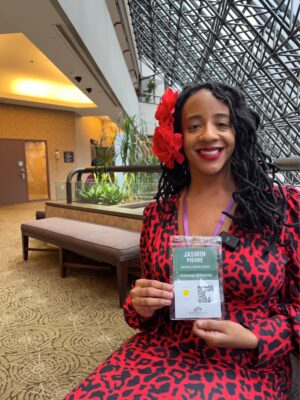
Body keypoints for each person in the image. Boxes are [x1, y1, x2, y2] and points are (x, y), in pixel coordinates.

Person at [64, 82, 299, 399]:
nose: (208, 135)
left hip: (244, 365)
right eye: (194, 126)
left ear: (238, 131)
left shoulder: (281, 208)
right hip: (164, 349)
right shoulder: (158, 216)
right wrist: (141, 304)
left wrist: (257, 337)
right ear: (177, 138)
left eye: (221, 123)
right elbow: (143, 313)